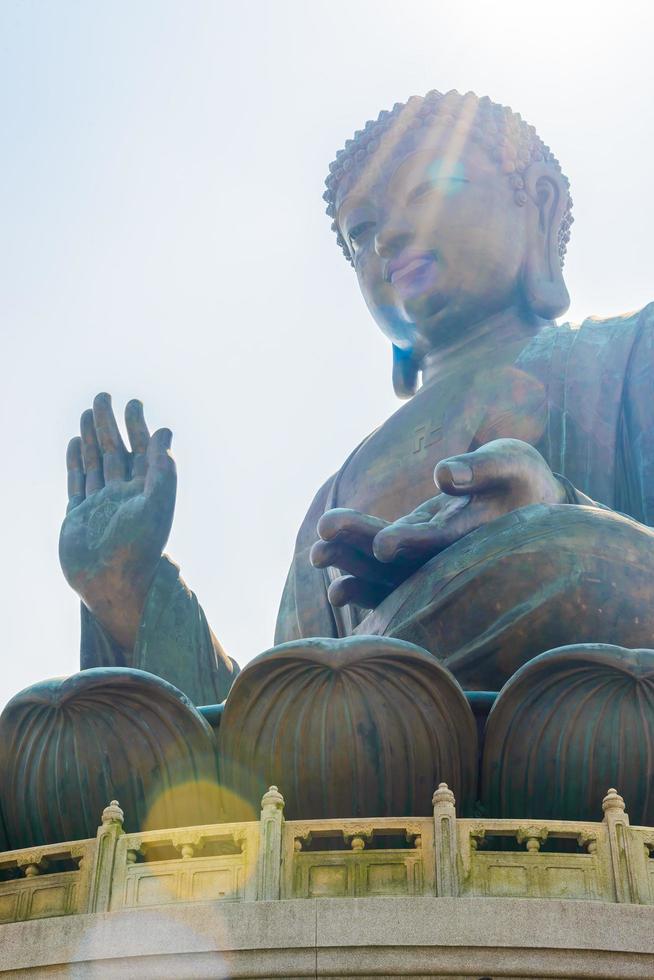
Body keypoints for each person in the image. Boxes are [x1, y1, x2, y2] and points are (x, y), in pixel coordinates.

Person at [60, 89, 654, 706]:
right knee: (60, 727)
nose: (391, 236)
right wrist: (127, 592)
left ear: (539, 204)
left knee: (535, 561)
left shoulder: (632, 354)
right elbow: (270, 724)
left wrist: (555, 518)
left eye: (432, 188)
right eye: (362, 229)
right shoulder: (336, 496)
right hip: (371, 758)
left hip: (601, 736)